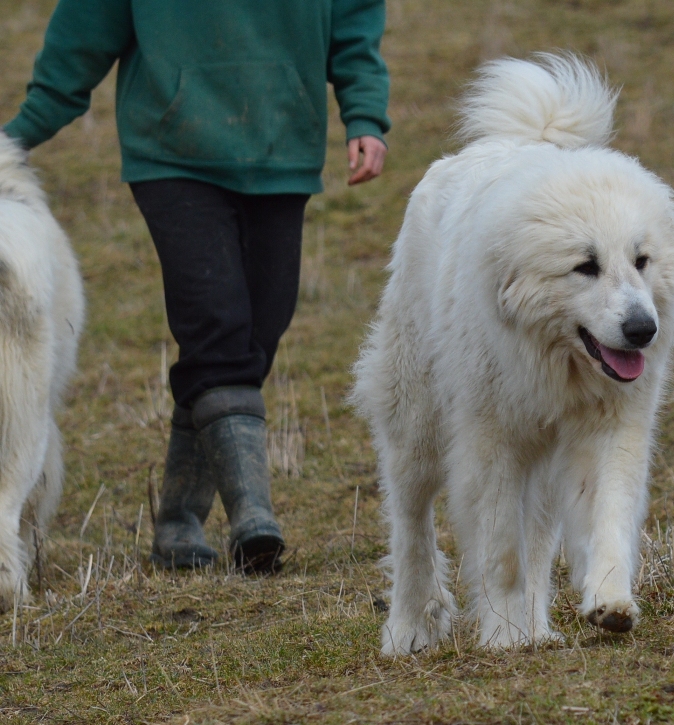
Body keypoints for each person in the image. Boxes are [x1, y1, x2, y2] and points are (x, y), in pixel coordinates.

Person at [2, 0, 390, 574]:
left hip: (283, 145)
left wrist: (364, 115)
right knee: (217, 326)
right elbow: (83, 32)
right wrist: (14, 141)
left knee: (258, 332)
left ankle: (178, 523)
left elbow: (355, 21)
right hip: (172, 152)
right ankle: (253, 518)